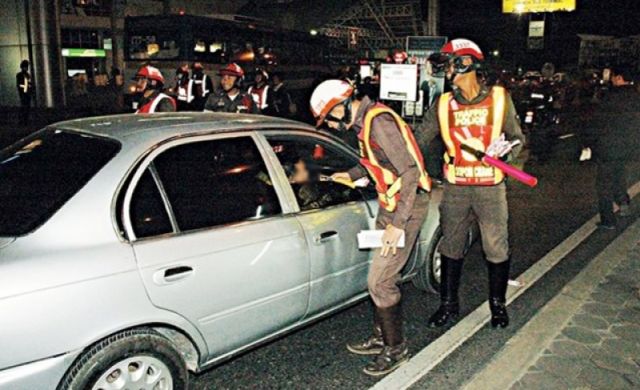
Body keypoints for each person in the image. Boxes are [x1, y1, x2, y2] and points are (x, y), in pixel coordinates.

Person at [311, 79, 431, 376]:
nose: (331, 125)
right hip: (390, 206)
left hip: (406, 209)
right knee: (382, 276)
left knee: (379, 281)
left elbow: (410, 172)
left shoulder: (378, 122)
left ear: (341, 105)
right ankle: (382, 337)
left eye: (330, 117)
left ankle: (396, 348)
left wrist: (397, 226)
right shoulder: (364, 124)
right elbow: (375, 163)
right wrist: (349, 175)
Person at [417, 39, 525, 330]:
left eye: (451, 63)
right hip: (456, 188)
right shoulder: (442, 105)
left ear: (467, 63)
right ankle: (448, 306)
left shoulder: (500, 98)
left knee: (495, 246)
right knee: (450, 245)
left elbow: (517, 139)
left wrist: (506, 152)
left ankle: (498, 306)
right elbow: (417, 142)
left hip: (490, 187)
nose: (446, 70)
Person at [584, 67, 638, 229]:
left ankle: (608, 220)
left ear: (619, 78)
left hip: (609, 145)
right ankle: (623, 203)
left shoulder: (610, 98)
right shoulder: (636, 97)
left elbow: (597, 122)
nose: (612, 80)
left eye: (614, 77)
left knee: (604, 183)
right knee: (620, 174)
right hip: (630, 145)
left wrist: (589, 143)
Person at [16, 60, 34, 125]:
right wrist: (26, 87)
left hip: (27, 93)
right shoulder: (20, 75)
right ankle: (22, 120)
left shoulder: (27, 75)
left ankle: (25, 120)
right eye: (25, 67)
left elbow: (29, 83)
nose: (26, 68)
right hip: (23, 93)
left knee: (27, 107)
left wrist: (30, 88)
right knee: (24, 107)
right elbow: (19, 84)